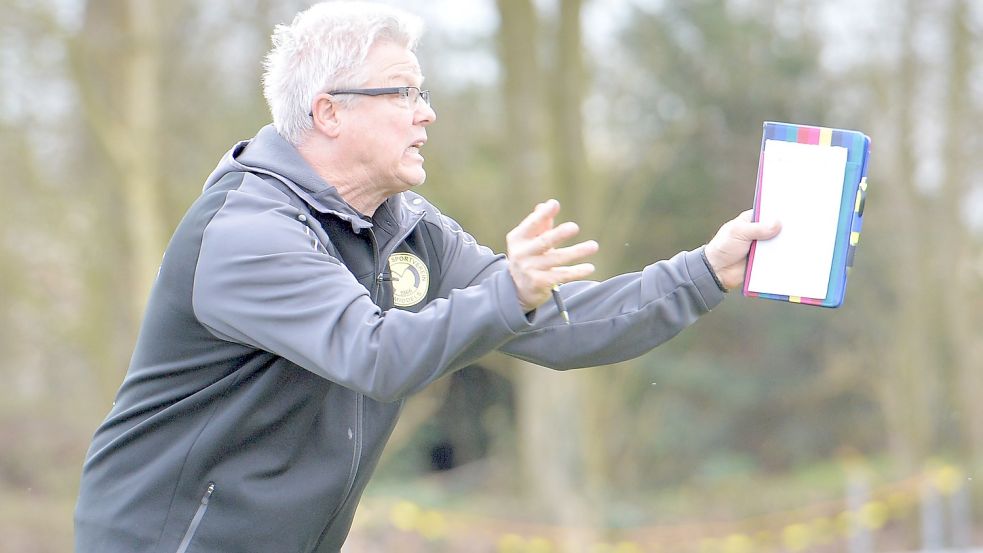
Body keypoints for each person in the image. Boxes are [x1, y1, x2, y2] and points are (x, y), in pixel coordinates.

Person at [73, 2, 780, 552]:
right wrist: (505, 293)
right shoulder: (246, 231)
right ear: (328, 111)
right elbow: (374, 354)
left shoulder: (406, 225)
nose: (427, 113)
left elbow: (560, 327)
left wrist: (704, 271)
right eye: (403, 93)